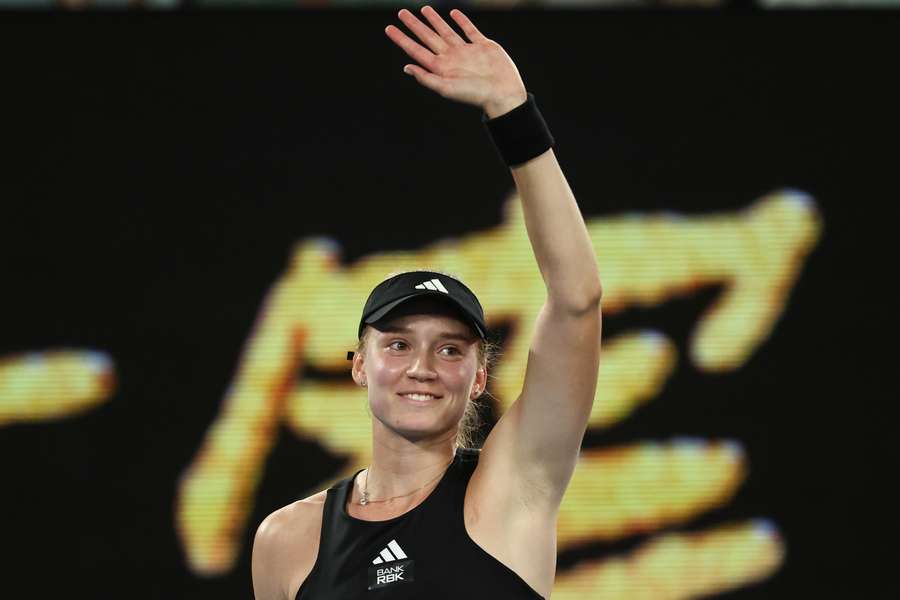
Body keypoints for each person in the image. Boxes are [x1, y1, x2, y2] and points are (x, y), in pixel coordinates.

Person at [251, 6, 602, 599]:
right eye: (397, 343)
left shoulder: (512, 488)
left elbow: (577, 299)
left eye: (448, 349)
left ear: (478, 377)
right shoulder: (288, 538)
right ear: (359, 365)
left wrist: (513, 115)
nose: (422, 367)